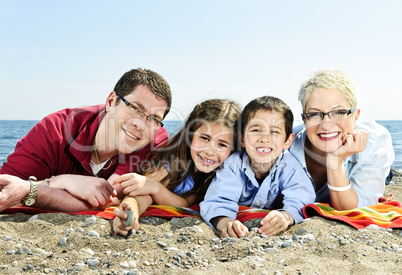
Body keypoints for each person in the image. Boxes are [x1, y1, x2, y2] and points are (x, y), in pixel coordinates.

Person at [0, 68, 172, 212]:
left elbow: (107, 199)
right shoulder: (55, 131)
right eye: (135, 108)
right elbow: (5, 190)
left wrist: (30, 190)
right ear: (111, 101)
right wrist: (63, 181)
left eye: (154, 119)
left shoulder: (153, 140)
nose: (141, 125)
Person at [113, 99, 241, 236]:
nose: (210, 151)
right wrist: (130, 210)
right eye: (204, 138)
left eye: (222, 144)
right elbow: (142, 194)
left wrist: (156, 188)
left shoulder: (225, 175)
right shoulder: (170, 164)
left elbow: (186, 203)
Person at [200, 96, 315, 238]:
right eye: (256, 130)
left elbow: (302, 197)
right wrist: (226, 223)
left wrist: (286, 216)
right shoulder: (233, 164)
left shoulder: (290, 166)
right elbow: (218, 200)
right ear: (242, 139)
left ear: (287, 141)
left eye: (274, 132)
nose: (264, 138)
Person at [289, 69, 395, 210]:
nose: (326, 125)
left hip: (361, 167)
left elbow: (359, 208)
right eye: (314, 114)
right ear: (304, 119)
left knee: (382, 177)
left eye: (338, 112)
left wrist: (335, 161)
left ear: (355, 116)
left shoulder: (376, 140)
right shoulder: (285, 141)